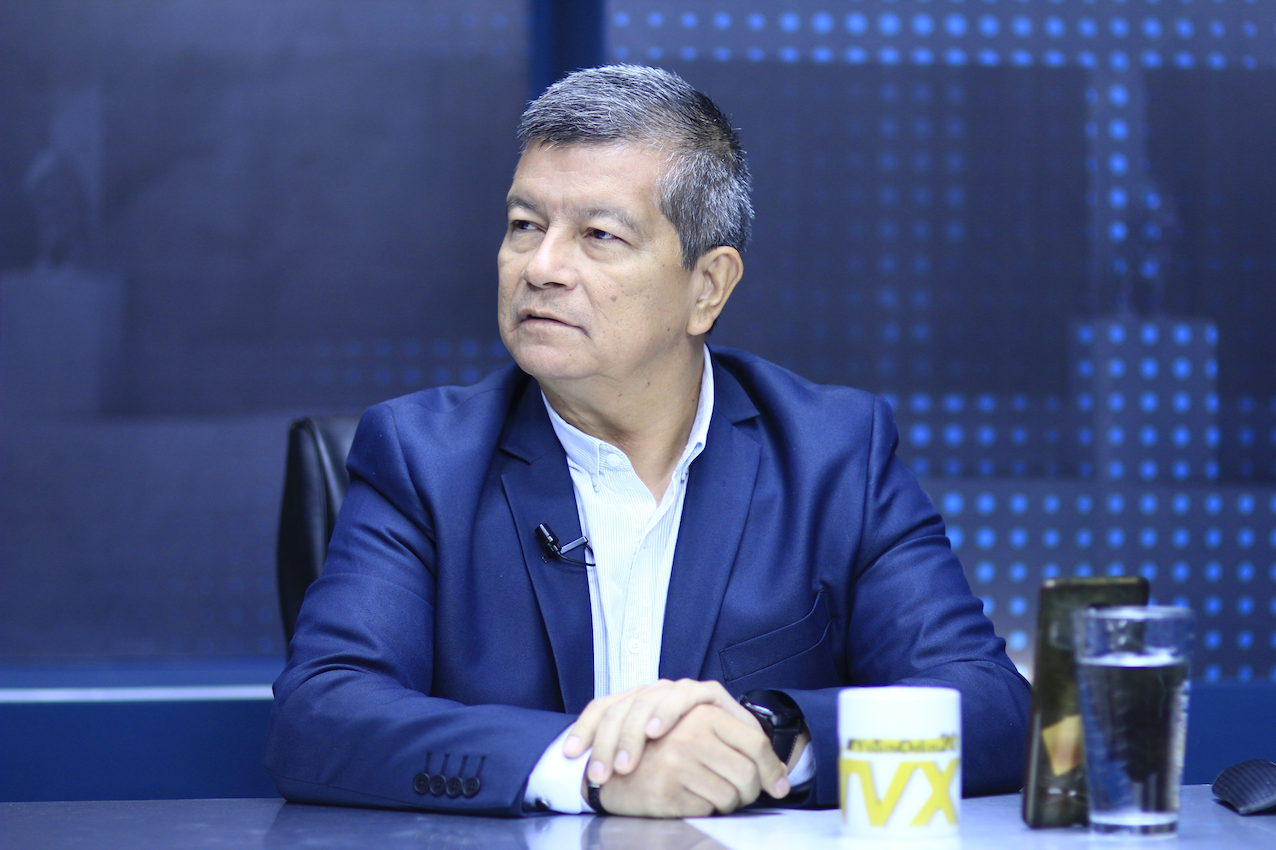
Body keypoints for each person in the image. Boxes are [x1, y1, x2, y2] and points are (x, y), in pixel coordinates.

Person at [265, 64, 1030, 818]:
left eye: (599, 235)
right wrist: (590, 770)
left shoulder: (833, 455)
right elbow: (321, 714)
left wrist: (770, 736)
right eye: (525, 226)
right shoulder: (422, 459)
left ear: (708, 287)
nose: (541, 267)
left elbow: (992, 702)